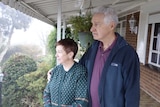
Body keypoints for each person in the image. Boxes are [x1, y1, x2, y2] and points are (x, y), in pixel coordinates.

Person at [79, 6, 140, 107]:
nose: (91, 29)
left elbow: (132, 92)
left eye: (96, 24)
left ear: (111, 25)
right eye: (92, 24)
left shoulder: (127, 54)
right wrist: (59, 71)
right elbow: (79, 69)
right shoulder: (93, 48)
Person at [43, 38, 88, 107]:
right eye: (56, 52)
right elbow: (46, 93)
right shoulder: (55, 71)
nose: (56, 55)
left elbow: (82, 101)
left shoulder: (80, 72)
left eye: (59, 52)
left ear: (70, 55)